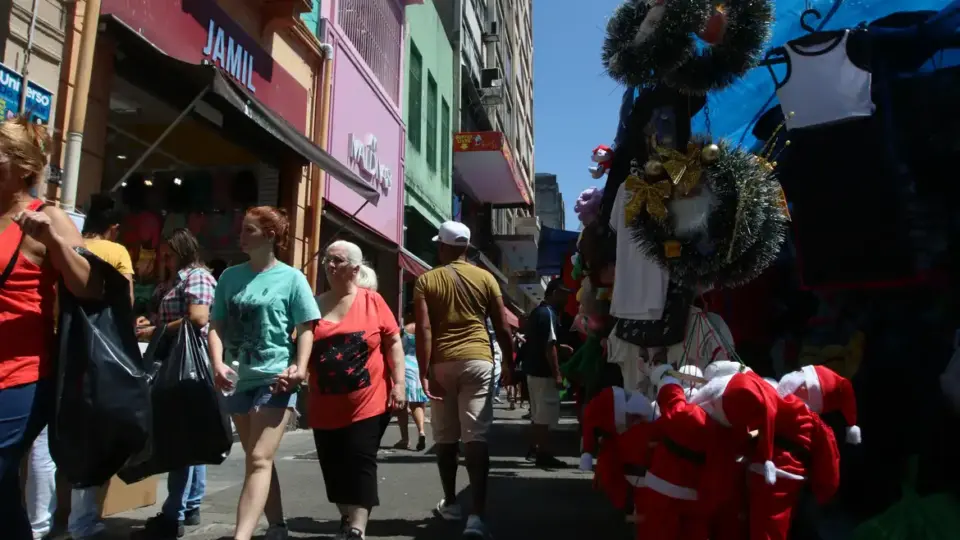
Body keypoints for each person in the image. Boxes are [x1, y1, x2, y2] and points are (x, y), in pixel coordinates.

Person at [0, 116, 100, 539]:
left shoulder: (47, 217)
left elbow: (92, 287)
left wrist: (57, 243)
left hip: (22, 377)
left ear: (22, 167)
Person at [208, 206, 320, 540]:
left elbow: (307, 328)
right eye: (242, 229)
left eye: (249, 230)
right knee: (258, 459)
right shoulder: (230, 276)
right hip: (238, 378)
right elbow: (216, 325)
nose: (240, 236)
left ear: (270, 236)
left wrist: (300, 368)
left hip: (276, 378)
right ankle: (278, 525)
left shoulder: (292, 278)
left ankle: (240, 535)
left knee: (258, 457)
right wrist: (217, 363)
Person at [413, 221, 513, 538]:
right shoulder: (486, 278)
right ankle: (477, 516)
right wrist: (510, 364)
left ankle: (452, 502)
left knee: (445, 437)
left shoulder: (426, 280)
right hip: (479, 360)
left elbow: (425, 330)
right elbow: (502, 326)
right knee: (476, 438)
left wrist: (425, 370)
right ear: (467, 248)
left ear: (443, 247)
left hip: (442, 362)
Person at [308, 240, 405, 539]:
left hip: (368, 402)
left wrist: (399, 384)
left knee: (361, 461)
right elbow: (300, 344)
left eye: (337, 260)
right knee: (333, 467)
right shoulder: (313, 304)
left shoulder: (372, 301)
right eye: (326, 259)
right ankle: (345, 516)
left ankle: (356, 529)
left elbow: (393, 342)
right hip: (324, 406)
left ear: (355, 268)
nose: (329, 265)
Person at [135, 228, 217, 539]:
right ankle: (189, 505)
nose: (163, 257)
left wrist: (154, 331)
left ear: (182, 250)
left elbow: (198, 318)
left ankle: (174, 514)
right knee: (189, 437)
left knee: (180, 438)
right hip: (174, 361)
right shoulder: (174, 280)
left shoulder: (195, 277)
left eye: (168, 252)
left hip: (187, 364)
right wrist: (152, 324)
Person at [63, 194, 136, 540]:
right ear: (114, 228)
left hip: (68, 343)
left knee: (70, 427)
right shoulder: (117, 252)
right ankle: (86, 518)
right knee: (103, 430)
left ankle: (55, 516)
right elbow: (128, 302)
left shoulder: (72, 246)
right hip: (106, 347)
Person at [522, 278, 572, 469]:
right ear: (554, 293)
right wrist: (557, 374)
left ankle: (536, 448)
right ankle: (542, 453)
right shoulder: (548, 313)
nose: (566, 299)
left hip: (534, 372)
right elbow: (548, 345)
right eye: (564, 294)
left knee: (538, 415)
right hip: (543, 374)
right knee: (545, 416)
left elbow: (545, 343)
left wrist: (559, 348)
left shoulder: (537, 312)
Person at [393, 306, 429, 451]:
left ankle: (405, 439)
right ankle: (421, 431)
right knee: (419, 403)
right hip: (420, 367)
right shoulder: (425, 329)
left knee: (403, 405)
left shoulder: (405, 330)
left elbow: (397, 348)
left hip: (406, 367)